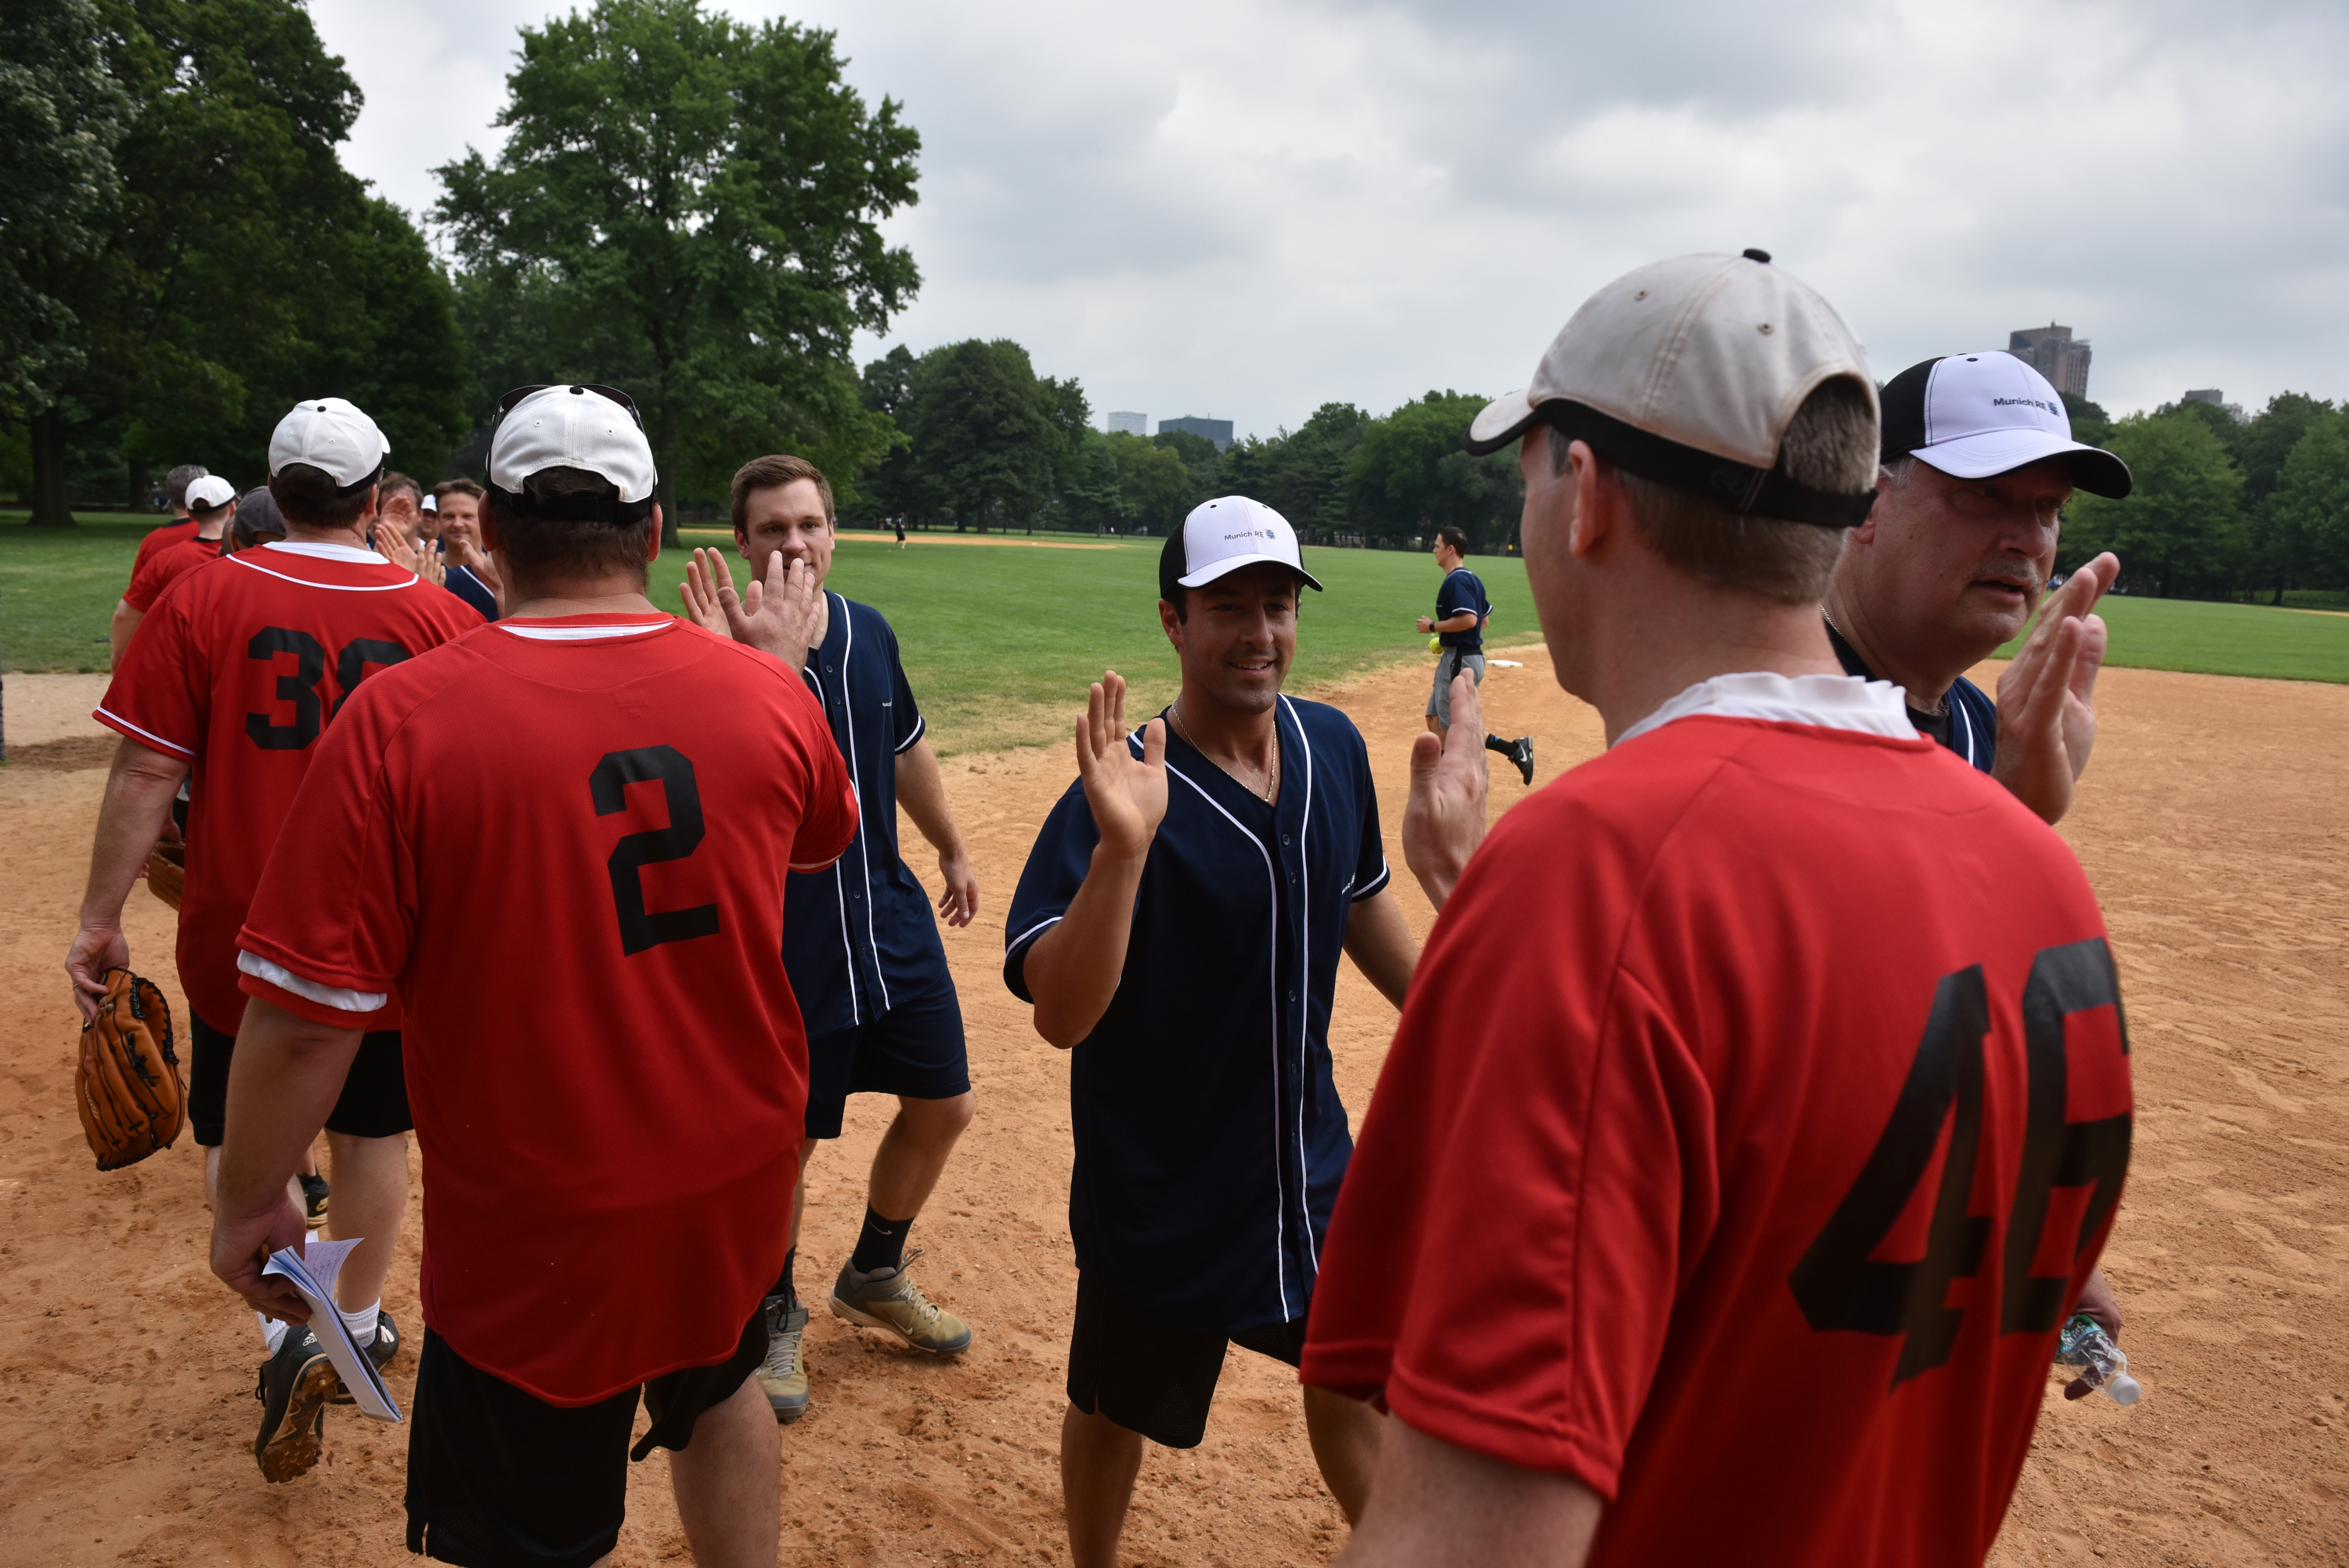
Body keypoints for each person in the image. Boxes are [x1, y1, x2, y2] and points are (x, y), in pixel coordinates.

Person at [1300, 251, 2133, 1567]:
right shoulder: (2042, 872)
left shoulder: (1600, 867)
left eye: (1527, 474)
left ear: (1586, 498)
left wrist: (1490, 899)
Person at [210, 384, 857, 1563]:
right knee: (718, 1384)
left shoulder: (401, 716)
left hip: (537, 1202)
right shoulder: (772, 694)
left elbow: (310, 1018)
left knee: (520, 1514)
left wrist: (252, 1194)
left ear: (490, 532)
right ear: (654, 532)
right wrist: (775, 672)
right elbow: (820, 836)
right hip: (735, 1167)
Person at [67, 397, 482, 1482]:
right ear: (371, 486)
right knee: (375, 1134)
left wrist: (100, 918)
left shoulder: (205, 594)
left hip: (241, 926)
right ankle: (356, 1317)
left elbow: (148, 772)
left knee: (240, 1130)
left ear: (273, 484)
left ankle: (284, 1324)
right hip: (391, 929)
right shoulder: (431, 611)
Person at [1002, 496, 1420, 1568]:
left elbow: (1363, 897)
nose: (1258, 631)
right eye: (1225, 605)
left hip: (1308, 1165)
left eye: (1277, 604)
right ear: (1172, 622)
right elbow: (1062, 1011)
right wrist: (1124, 853)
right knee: (1115, 1405)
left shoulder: (1328, 744)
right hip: (1165, 1189)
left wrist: (1453, 1012)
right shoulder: (1122, 791)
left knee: (1359, 1376)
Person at [680, 453, 981, 1426]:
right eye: (771, 529)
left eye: (807, 524)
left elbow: (904, 748)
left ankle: (876, 1268)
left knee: (944, 1103)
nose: (793, 544)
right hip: (785, 939)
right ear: (742, 541)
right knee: (788, 1143)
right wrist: (739, 669)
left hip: (887, 915)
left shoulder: (867, 630)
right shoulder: (714, 648)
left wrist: (950, 846)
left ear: (833, 531)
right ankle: (775, 1310)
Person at [1825, 352, 2130, 828]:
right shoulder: (1767, 711)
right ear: (1865, 505)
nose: (2030, 541)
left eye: (2049, 507)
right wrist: (2015, 818)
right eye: (1986, 493)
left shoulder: (1987, 728)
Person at [1414, 524, 1535, 784]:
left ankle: (1460, 778)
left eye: (1437, 546)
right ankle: (1507, 752)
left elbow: (1470, 620)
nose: (1433, 550)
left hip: (1460, 658)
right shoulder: (1470, 578)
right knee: (1434, 717)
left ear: (1450, 549)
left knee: (1455, 727)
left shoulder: (1457, 579)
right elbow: (1484, 621)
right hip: (1458, 655)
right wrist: (1448, 637)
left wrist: (1434, 627)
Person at [114, 475, 237, 667]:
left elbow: (125, 614)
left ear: (190, 513)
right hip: (232, 658)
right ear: (232, 508)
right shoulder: (247, 555)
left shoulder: (165, 559)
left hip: (179, 662)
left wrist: (119, 655)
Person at [431, 478, 503, 618]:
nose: (457, 523)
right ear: (438, 520)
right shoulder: (425, 569)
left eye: (467, 516)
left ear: (483, 518)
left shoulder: (502, 572)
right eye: (449, 516)